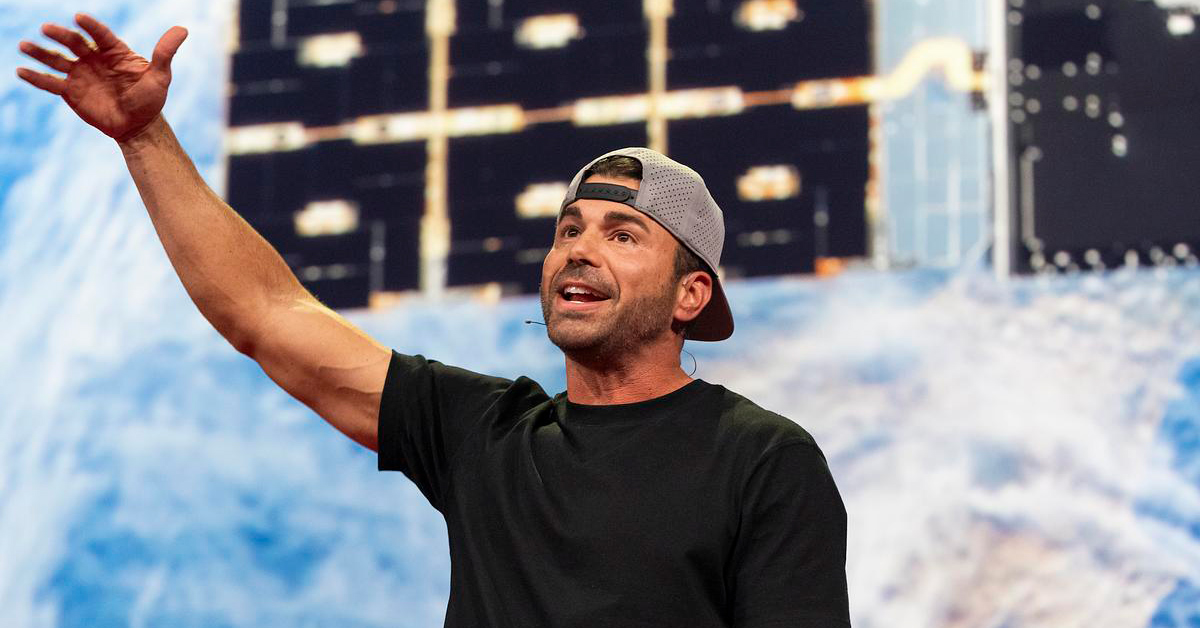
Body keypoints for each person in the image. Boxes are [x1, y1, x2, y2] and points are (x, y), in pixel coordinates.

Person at [18, 14, 850, 627]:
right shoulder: (484, 433)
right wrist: (145, 138)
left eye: (622, 235)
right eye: (569, 230)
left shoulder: (762, 460)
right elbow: (265, 315)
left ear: (690, 296)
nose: (578, 252)